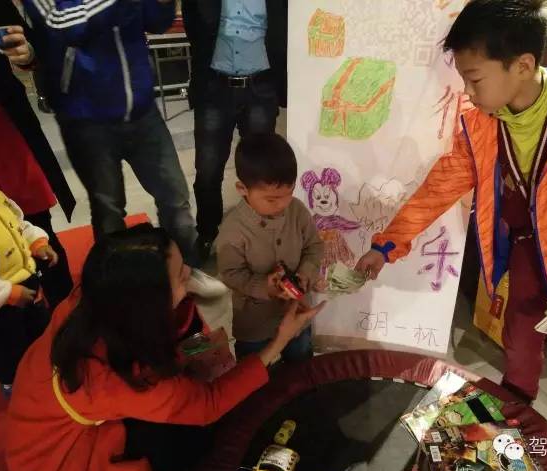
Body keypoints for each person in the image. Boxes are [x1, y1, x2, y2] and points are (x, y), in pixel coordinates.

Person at [355, 0, 547, 458]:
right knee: (519, 335)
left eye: (475, 79)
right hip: (530, 247)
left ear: (522, 65)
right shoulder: (486, 122)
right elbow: (440, 185)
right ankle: (515, 402)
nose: (468, 92)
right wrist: (388, 244)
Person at [5, 224, 324, 471]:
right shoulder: (111, 377)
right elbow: (208, 404)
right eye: (180, 276)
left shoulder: (94, 296)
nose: (191, 276)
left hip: (44, 415)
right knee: (194, 441)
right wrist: (279, 341)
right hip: (58, 460)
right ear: (148, 303)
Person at [21, 0, 199, 266]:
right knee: (109, 213)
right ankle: (118, 283)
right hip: (85, 120)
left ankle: (187, 272)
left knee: (176, 200)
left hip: (142, 110)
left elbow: (157, 21)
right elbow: (62, 24)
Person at [182, 0, 289, 261]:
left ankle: (260, 234)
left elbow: (283, 30)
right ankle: (207, 233)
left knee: (261, 170)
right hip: (214, 86)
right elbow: (193, 28)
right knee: (208, 170)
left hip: (260, 86)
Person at [216, 134, 324, 362]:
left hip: (296, 314)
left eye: (289, 194)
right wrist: (264, 287)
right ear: (242, 189)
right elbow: (230, 274)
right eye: (272, 199)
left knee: (301, 368)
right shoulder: (233, 229)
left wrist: (306, 273)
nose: (283, 204)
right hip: (254, 325)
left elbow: (314, 246)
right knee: (254, 374)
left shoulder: (297, 211)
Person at [0, 1, 75, 309]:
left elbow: (28, 46)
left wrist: (27, 54)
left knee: (33, 222)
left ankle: (64, 309)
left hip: (3, 128)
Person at [0, 189, 59, 399]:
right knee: (8, 344)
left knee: (40, 328)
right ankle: (14, 385)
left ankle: (46, 368)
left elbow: (19, 224)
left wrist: (37, 242)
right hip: (1, 300)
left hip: (27, 279)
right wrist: (8, 293)